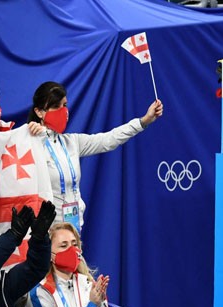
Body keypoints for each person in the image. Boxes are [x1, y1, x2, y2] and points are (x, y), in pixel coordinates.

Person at [26, 81, 163, 231]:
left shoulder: (72, 142)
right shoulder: (30, 144)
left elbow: (109, 139)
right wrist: (29, 135)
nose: (62, 111)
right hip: (46, 234)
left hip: (74, 230)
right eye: (55, 106)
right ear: (39, 112)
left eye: (64, 105)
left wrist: (144, 121)